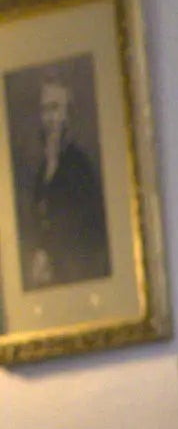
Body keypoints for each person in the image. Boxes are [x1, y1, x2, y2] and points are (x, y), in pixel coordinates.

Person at [19, 70, 111, 286]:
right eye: (45, 110)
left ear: (68, 115)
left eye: (55, 109)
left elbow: (86, 236)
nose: (49, 119)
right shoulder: (43, 171)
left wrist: (49, 257)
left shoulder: (80, 168)